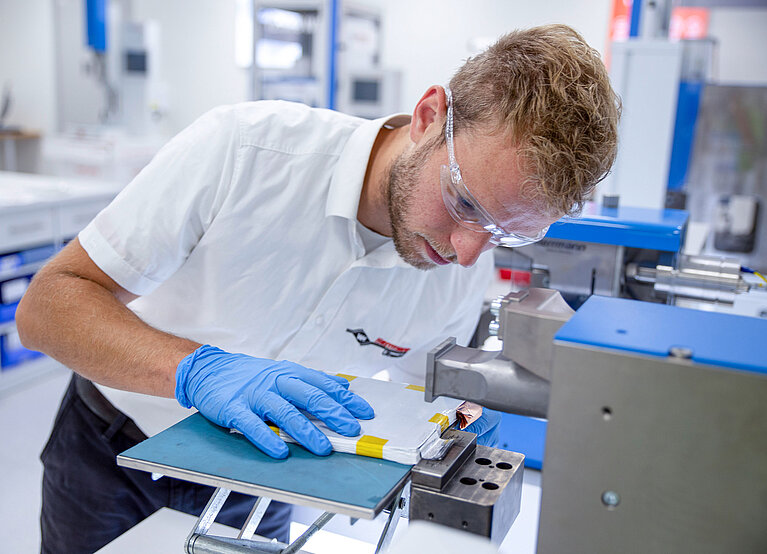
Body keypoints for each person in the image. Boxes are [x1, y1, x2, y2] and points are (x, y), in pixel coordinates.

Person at [16, 24, 619, 553]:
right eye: (462, 203)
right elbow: (46, 306)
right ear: (430, 117)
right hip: (112, 450)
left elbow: (426, 410)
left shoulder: (461, 276)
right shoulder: (245, 151)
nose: (465, 253)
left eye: (500, 234)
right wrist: (193, 369)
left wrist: (451, 432)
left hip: (267, 480)